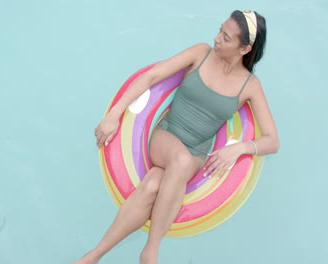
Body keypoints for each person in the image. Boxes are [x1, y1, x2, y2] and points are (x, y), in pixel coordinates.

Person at [74, 10, 280, 264]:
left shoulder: (250, 86)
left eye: (226, 38)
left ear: (244, 48)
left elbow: (273, 140)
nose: (216, 38)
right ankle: (151, 252)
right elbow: (152, 76)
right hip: (166, 136)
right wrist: (115, 114)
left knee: (152, 185)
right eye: (219, 30)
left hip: (196, 154)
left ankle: (92, 257)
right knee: (179, 161)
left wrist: (238, 149)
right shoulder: (200, 53)